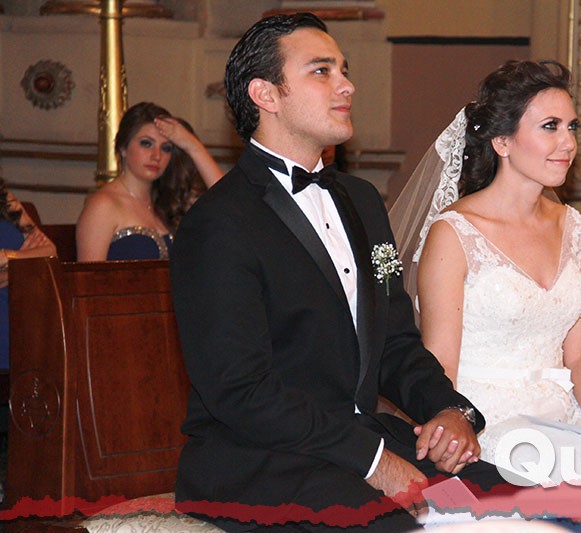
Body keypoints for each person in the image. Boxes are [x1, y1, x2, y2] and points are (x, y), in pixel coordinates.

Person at [169, 12, 512, 532]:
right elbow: (241, 390)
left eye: (344, 70)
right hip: (257, 463)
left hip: (354, 442)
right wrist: (375, 463)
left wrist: (448, 411)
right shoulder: (219, 222)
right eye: (321, 71)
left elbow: (395, 340)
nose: (347, 85)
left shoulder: (362, 201)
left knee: (518, 506)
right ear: (266, 94)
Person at [396, 60, 581, 464]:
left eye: (572, 127)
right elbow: (440, 364)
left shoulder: (572, 226)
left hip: (566, 423)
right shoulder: (455, 233)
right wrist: (454, 438)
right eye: (550, 126)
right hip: (486, 431)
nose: (568, 143)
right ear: (502, 142)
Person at [76, 102, 223, 261]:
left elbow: (228, 204)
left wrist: (193, 146)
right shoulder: (103, 206)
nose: (156, 156)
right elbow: (89, 275)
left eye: (166, 148)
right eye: (146, 143)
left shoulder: (168, 202)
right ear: (123, 148)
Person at [0, 180, 57, 369]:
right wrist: (24, 262)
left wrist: (9, 257)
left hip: (23, 316)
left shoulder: (6, 200)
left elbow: (50, 252)